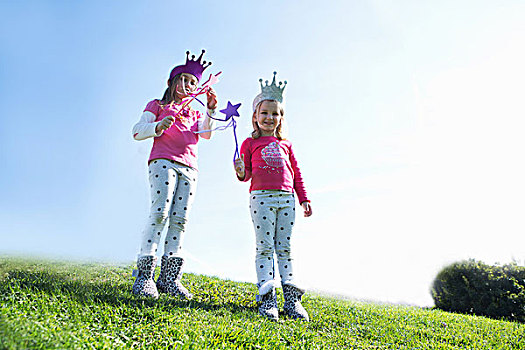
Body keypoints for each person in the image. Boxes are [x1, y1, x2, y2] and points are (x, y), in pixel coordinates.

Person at [131, 50, 218, 299]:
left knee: (180, 219)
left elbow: (206, 134)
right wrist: (157, 126)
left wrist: (211, 109)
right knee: (160, 213)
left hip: (189, 168)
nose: (188, 85)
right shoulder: (157, 105)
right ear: (172, 82)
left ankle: (169, 279)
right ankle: (145, 275)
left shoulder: (196, 111)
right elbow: (137, 131)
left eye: (193, 83)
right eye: (184, 80)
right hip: (163, 162)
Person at [234, 72, 312, 321]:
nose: (269, 118)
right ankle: (268, 299)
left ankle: (292, 300)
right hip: (261, 198)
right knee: (265, 247)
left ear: (281, 118)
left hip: (287, 198)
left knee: (285, 248)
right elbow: (245, 176)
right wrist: (239, 170)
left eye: (275, 113)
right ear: (255, 117)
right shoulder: (249, 143)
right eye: (264, 113)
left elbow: (296, 172)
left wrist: (303, 198)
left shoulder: (286, 145)